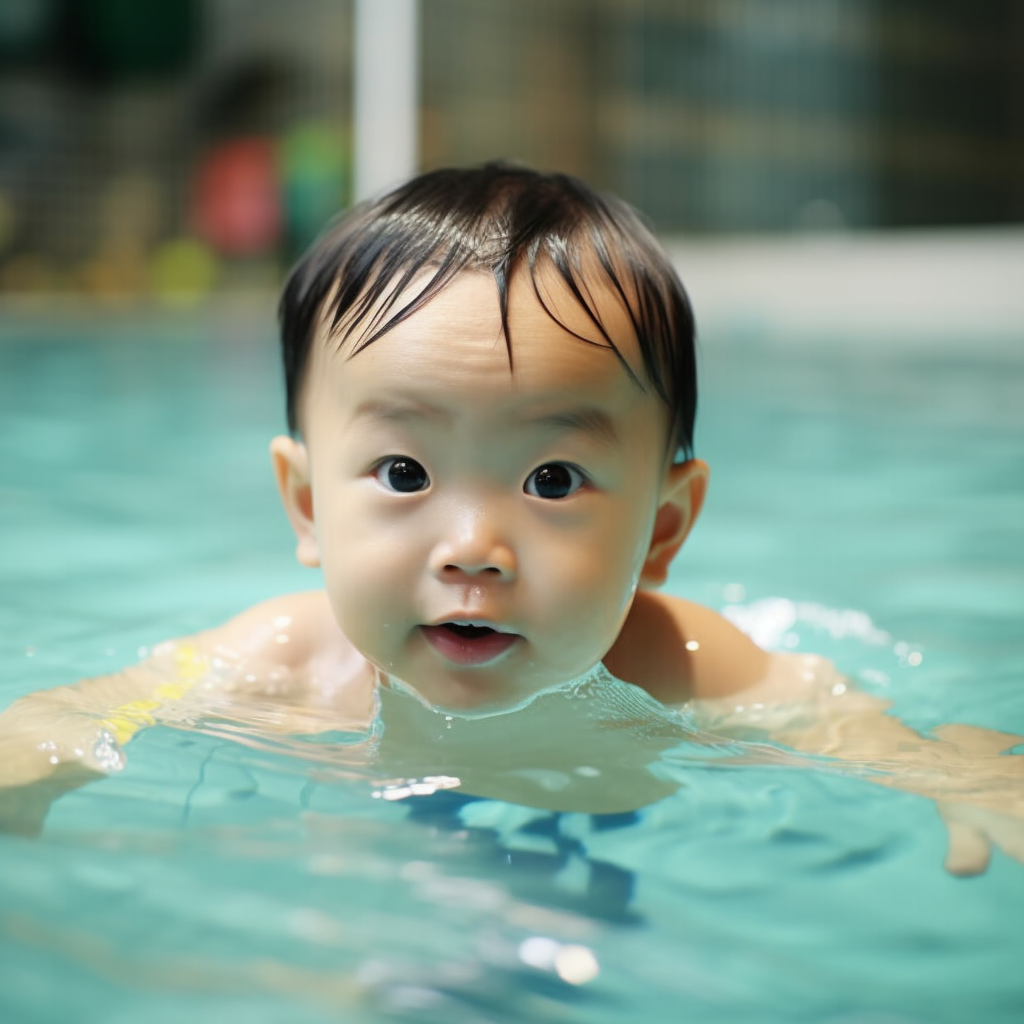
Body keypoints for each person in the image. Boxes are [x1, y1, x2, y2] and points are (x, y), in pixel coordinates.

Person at [1, 163, 1021, 875]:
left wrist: (950, 769)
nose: (472, 549)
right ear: (308, 505)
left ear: (662, 532)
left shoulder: (678, 663)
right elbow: (74, 714)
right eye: (403, 470)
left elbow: (836, 715)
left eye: (550, 479)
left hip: (606, 861)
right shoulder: (282, 656)